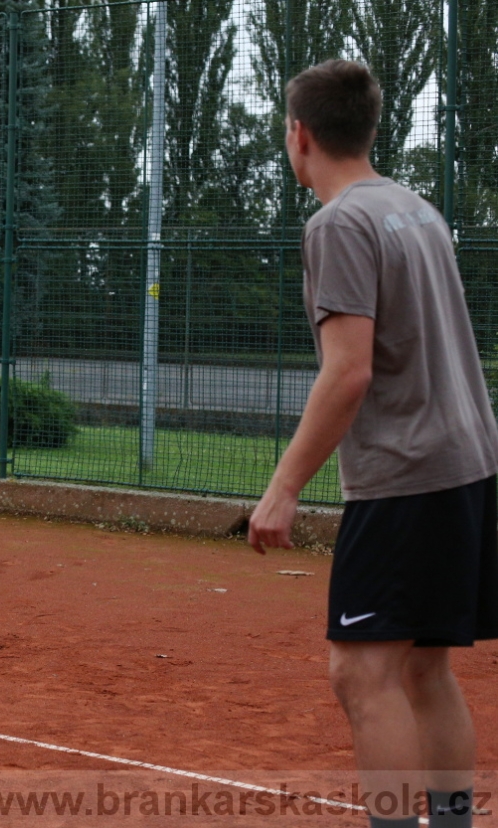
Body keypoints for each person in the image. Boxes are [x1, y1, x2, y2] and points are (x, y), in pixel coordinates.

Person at [248, 60, 498, 828]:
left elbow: (348, 372)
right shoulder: (416, 210)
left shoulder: (339, 223)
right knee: (426, 668)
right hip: (469, 463)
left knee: (362, 675)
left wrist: (283, 486)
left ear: (300, 135)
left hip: (406, 475)